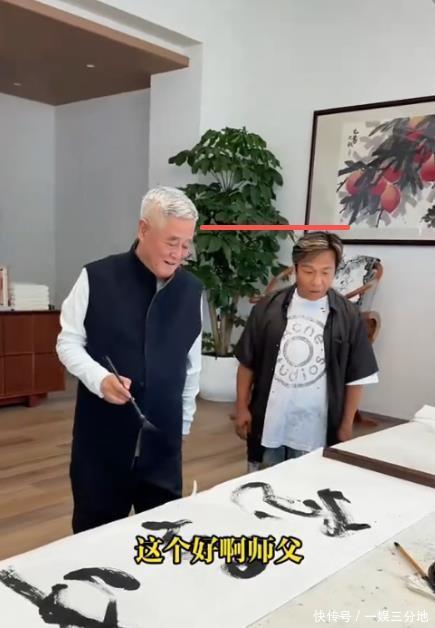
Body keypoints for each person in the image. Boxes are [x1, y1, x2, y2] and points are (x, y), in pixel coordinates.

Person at [56, 186, 203, 533]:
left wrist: (182, 427)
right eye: (172, 242)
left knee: (161, 539)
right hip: (101, 444)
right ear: (143, 229)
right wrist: (99, 379)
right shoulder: (96, 277)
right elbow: (68, 342)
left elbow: (191, 366)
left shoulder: (192, 290)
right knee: (96, 537)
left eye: (186, 245)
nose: (179, 254)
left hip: (163, 445)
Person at [233, 231, 379, 472]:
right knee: (263, 482)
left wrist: (346, 424)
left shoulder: (348, 316)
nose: (317, 281)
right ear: (295, 268)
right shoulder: (268, 308)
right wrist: (241, 407)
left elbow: (357, 377)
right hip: (270, 421)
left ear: (335, 270)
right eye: (308, 271)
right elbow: (247, 362)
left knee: (308, 484)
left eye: (326, 272)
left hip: (317, 426)